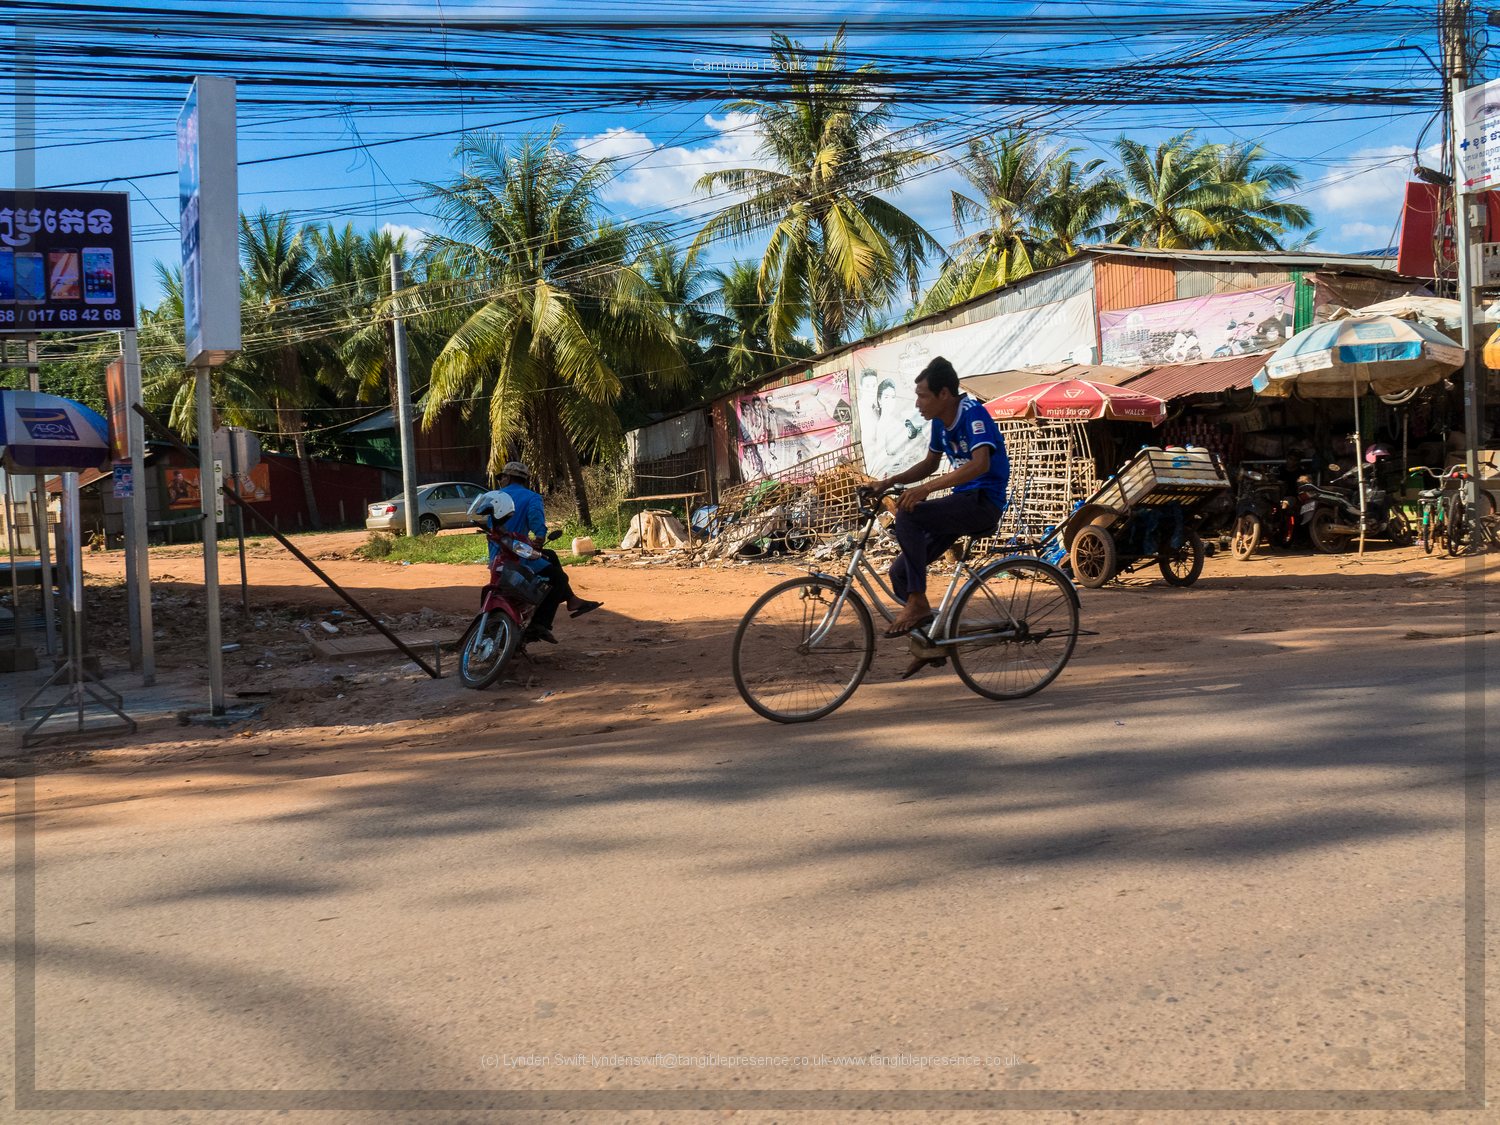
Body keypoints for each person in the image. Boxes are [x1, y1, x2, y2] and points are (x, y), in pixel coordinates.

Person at [868, 357, 1009, 637]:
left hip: (982, 501)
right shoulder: (940, 423)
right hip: (963, 502)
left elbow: (980, 464)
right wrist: (888, 482)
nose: (918, 403)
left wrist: (926, 489)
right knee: (900, 574)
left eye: (922, 396)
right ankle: (934, 640)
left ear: (944, 394)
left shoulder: (972, 413)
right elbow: (929, 465)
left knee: (908, 514)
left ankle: (918, 603)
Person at [491, 461, 602, 644]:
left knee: (551, 555)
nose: (501, 480)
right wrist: (540, 538)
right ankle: (540, 623)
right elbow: (537, 522)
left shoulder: (494, 497)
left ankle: (572, 599)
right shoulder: (531, 497)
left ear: (508, 477)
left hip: (496, 555)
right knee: (558, 578)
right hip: (518, 556)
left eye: (502, 477)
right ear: (523, 480)